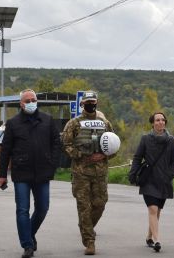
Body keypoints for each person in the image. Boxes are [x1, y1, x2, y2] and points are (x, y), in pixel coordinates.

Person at [0, 89, 60, 258]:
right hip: (21, 173)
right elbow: (5, 151)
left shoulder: (47, 120)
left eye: (33, 99)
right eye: (28, 100)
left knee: (43, 208)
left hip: (42, 172)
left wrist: (52, 164)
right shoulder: (13, 123)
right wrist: (1, 174)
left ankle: (29, 234)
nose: (31, 102)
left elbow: (56, 144)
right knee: (22, 210)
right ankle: (27, 245)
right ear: (21, 104)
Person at [62, 91, 114, 255]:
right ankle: (89, 241)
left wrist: (104, 154)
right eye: (88, 102)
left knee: (100, 204)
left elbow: (114, 144)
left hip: (100, 172)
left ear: (97, 103)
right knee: (84, 207)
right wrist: (81, 155)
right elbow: (66, 144)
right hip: (81, 172)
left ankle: (85, 226)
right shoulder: (74, 123)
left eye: (93, 101)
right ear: (82, 104)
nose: (91, 104)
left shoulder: (105, 123)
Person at [128, 112, 174, 252]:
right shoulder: (145, 139)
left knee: (157, 211)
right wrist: (132, 174)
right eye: (157, 120)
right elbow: (138, 157)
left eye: (163, 120)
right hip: (149, 179)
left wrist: (170, 174)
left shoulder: (171, 140)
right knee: (153, 209)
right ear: (152, 123)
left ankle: (149, 236)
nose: (160, 122)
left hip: (164, 181)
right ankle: (157, 240)